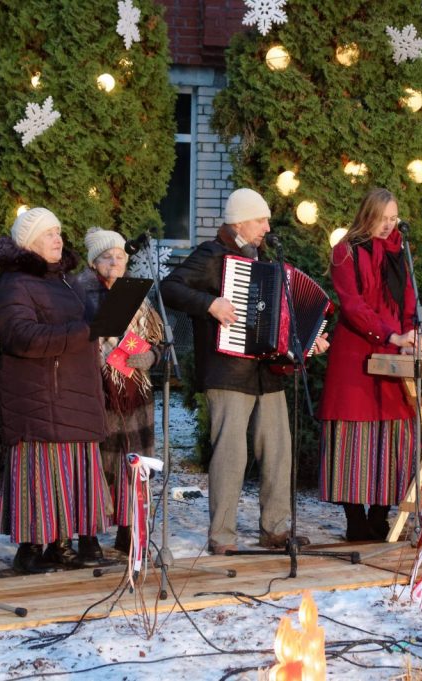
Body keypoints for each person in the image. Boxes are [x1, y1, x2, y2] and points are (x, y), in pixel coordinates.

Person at [161, 188, 328, 554]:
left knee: (278, 450)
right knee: (231, 454)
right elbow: (169, 288)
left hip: (267, 373)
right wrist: (210, 304)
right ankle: (222, 536)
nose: (267, 228)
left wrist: (306, 341)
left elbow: (279, 319)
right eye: (260, 220)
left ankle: (276, 529)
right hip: (227, 372)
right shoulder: (211, 255)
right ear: (238, 222)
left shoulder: (263, 260)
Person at [0, 207, 109, 573]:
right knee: (41, 473)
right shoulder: (15, 283)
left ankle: (61, 544)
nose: (58, 239)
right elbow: (21, 336)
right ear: (29, 242)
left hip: (76, 389)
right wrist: (82, 332)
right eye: (49, 234)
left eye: (59, 232)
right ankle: (30, 549)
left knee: (71, 472)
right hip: (40, 395)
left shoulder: (67, 281)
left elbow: (85, 326)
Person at [318, 188, 417, 541]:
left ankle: (380, 513)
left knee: (392, 434)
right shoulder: (346, 250)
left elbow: (409, 302)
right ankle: (355, 518)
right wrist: (390, 335)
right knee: (353, 438)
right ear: (367, 215)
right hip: (356, 354)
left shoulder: (399, 253)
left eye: (393, 219)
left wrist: (410, 334)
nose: (388, 226)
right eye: (382, 219)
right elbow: (353, 304)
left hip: (395, 351)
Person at [78, 227, 163, 558]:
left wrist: (151, 356)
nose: (115, 262)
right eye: (106, 257)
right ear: (93, 262)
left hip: (135, 391)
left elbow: (157, 340)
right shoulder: (81, 293)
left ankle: (129, 527)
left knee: (134, 461)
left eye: (120, 256)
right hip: (98, 390)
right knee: (97, 465)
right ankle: (89, 534)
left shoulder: (137, 296)